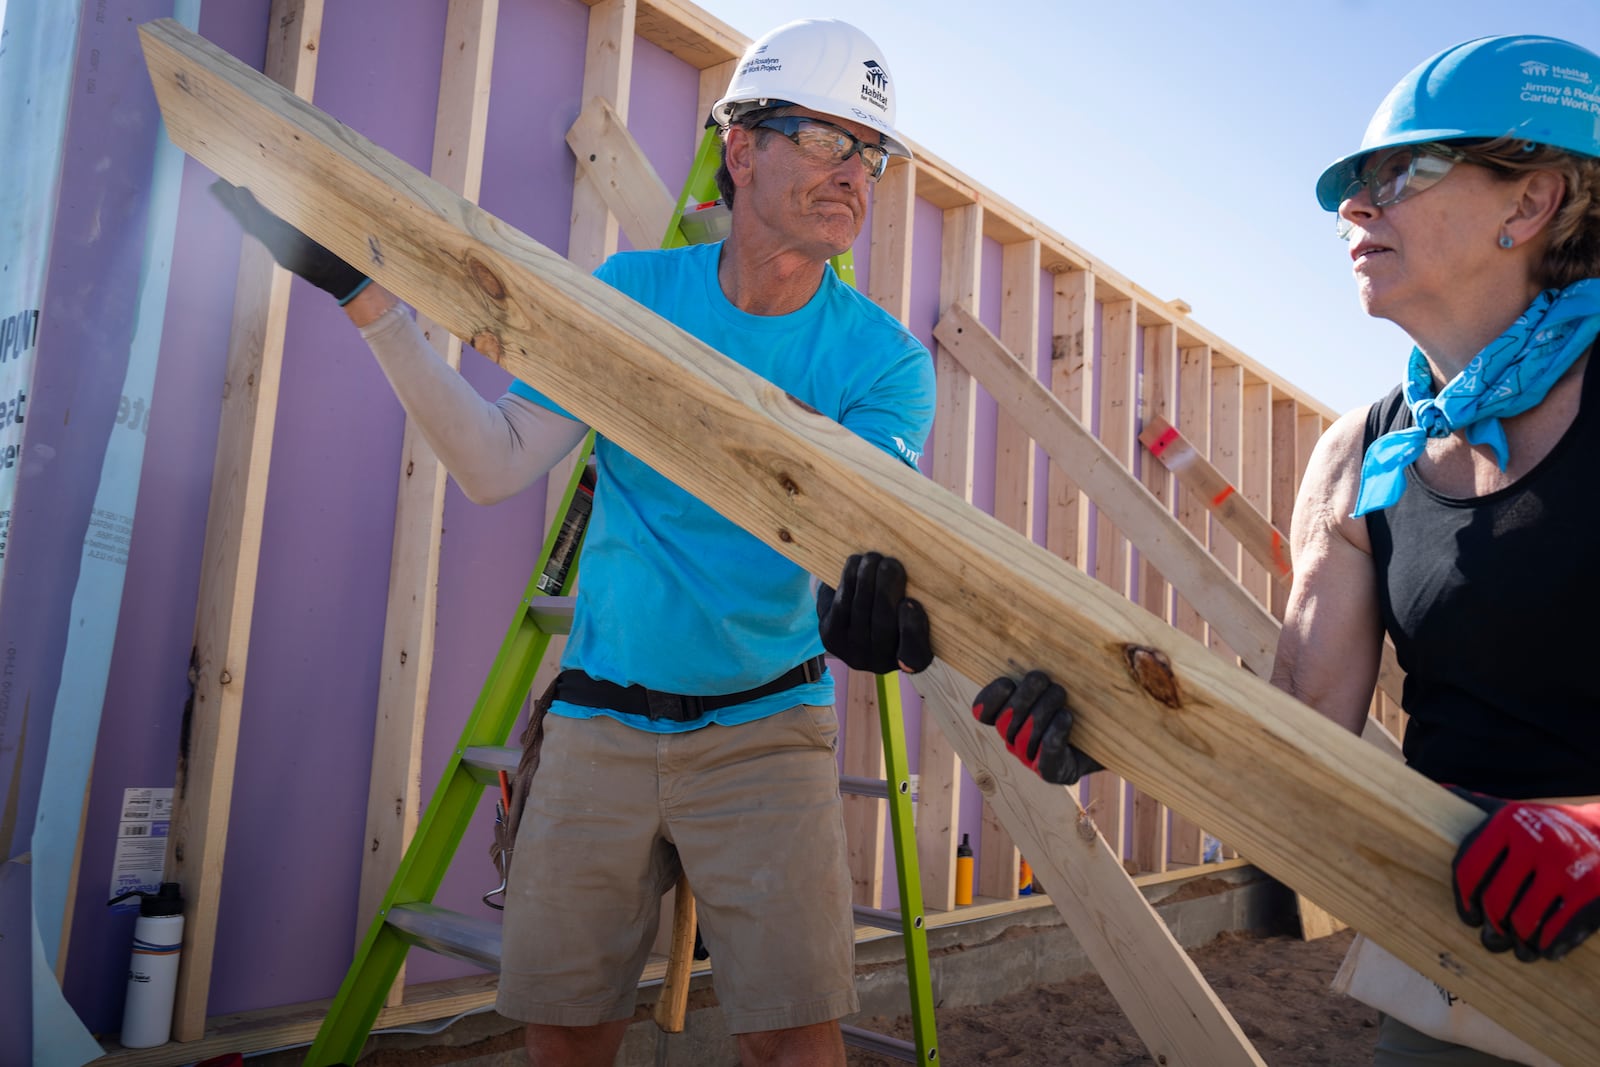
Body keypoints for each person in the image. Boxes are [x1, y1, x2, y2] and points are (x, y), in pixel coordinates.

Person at [213, 18, 935, 1067]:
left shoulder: (882, 362)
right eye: (827, 139)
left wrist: (858, 597)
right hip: (599, 719)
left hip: (767, 727)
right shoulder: (631, 299)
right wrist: (366, 301)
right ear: (743, 147)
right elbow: (498, 461)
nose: (854, 174)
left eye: (869, 153)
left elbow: (866, 527)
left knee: (793, 1039)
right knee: (564, 1032)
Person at [954, 33, 1600, 1067]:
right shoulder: (1363, 456)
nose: (1353, 206)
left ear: (1529, 206)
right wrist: (1106, 719)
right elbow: (1294, 748)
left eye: (1399, 172)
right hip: (1467, 975)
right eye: (1353, 184)